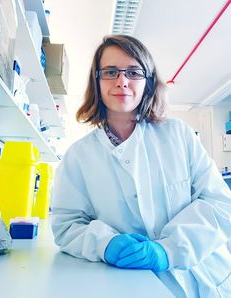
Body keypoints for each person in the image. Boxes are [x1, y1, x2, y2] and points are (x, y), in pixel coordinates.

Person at [51, 35, 231, 297]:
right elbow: (67, 225)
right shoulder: (78, 156)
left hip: (207, 279)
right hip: (131, 285)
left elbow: (219, 203)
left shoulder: (178, 135)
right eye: (111, 71)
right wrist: (105, 243)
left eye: (134, 72)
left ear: (147, 81)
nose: (122, 81)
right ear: (97, 81)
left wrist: (169, 249)